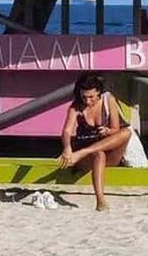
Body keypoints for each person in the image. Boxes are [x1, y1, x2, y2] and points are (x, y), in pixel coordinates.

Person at [57, 72, 133, 211]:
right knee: (98, 155)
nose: (87, 101)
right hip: (88, 154)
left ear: (98, 92)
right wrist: (67, 148)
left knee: (126, 132)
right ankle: (100, 200)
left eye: (91, 97)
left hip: (104, 148)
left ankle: (83, 152)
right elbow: (67, 131)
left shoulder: (108, 100)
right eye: (84, 97)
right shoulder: (76, 107)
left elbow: (116, 128)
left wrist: (108, 131)